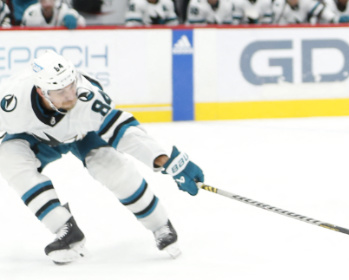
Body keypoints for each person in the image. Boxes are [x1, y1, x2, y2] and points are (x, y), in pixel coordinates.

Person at [0, 51, 203, 263]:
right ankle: (65, 230)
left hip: (85, 133)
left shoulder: (87, 98)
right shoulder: (11, 101)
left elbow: (126, 132)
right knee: (8, 158)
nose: (70, 96)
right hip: (39, 138)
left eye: (71, 85)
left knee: (111, 167)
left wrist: (167, 161)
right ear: (41, 91)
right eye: (60, 91)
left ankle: (160, 225)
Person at [20, 0, 85, 29]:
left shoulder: (62, 9)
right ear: (39, 1)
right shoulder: (31, 13)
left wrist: (73, 17)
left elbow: (82, 22)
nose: (47, 4)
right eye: (44, 1)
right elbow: (22, 31)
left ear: (55, 0)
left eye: (51, 0)